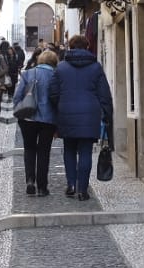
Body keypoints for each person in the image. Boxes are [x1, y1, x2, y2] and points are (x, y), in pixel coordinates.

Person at [48, 34, 113, 201]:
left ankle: (71, 184)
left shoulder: (61, 68)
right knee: (85, 152)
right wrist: (107, 115)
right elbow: (104, 94)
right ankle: (82, 190)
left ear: (70, 47)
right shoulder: (96, 67)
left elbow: (53, 93)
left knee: (69, 149)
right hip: (90, 114)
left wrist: (60, 105)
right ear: (87, 46)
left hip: (66, 113)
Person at [14, 49, 59, 196]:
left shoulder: (28, 73)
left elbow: (17, 96)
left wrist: (19, 111)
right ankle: (42, 187)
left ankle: (30, 180)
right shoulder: (56, 75)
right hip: (48, 119)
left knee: (29, 149)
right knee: (44, 152)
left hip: (28, 118)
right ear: (54, 62)